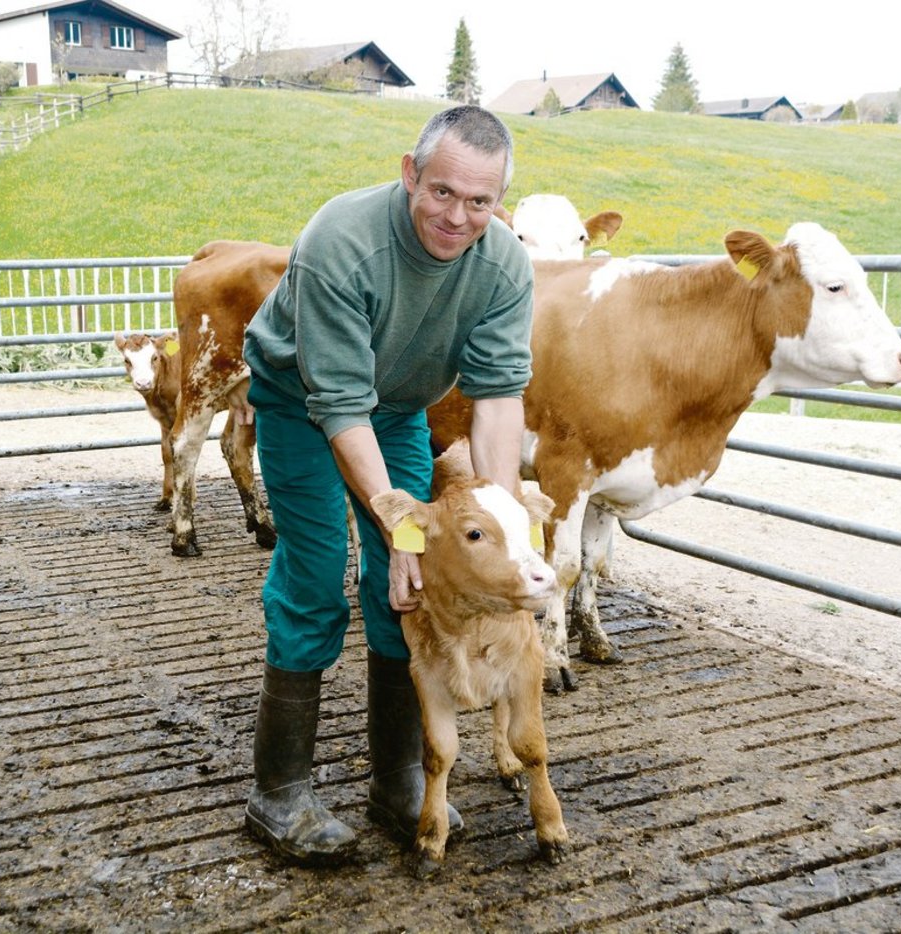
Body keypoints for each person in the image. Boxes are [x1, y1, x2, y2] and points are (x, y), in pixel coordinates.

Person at [240, 105, 534, 863]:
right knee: (313, 571)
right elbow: (338, 406)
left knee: (406, 583)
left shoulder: (503, 263)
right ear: (410, 172)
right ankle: (278, 796)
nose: (457, 216)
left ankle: (400, 782)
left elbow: (500, 395)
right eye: (442, 192)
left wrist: (495, 539)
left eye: (479, 201)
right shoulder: (343, 239)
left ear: (499, 200)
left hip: (398, 407)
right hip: (304, 405)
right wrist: (394, 528)